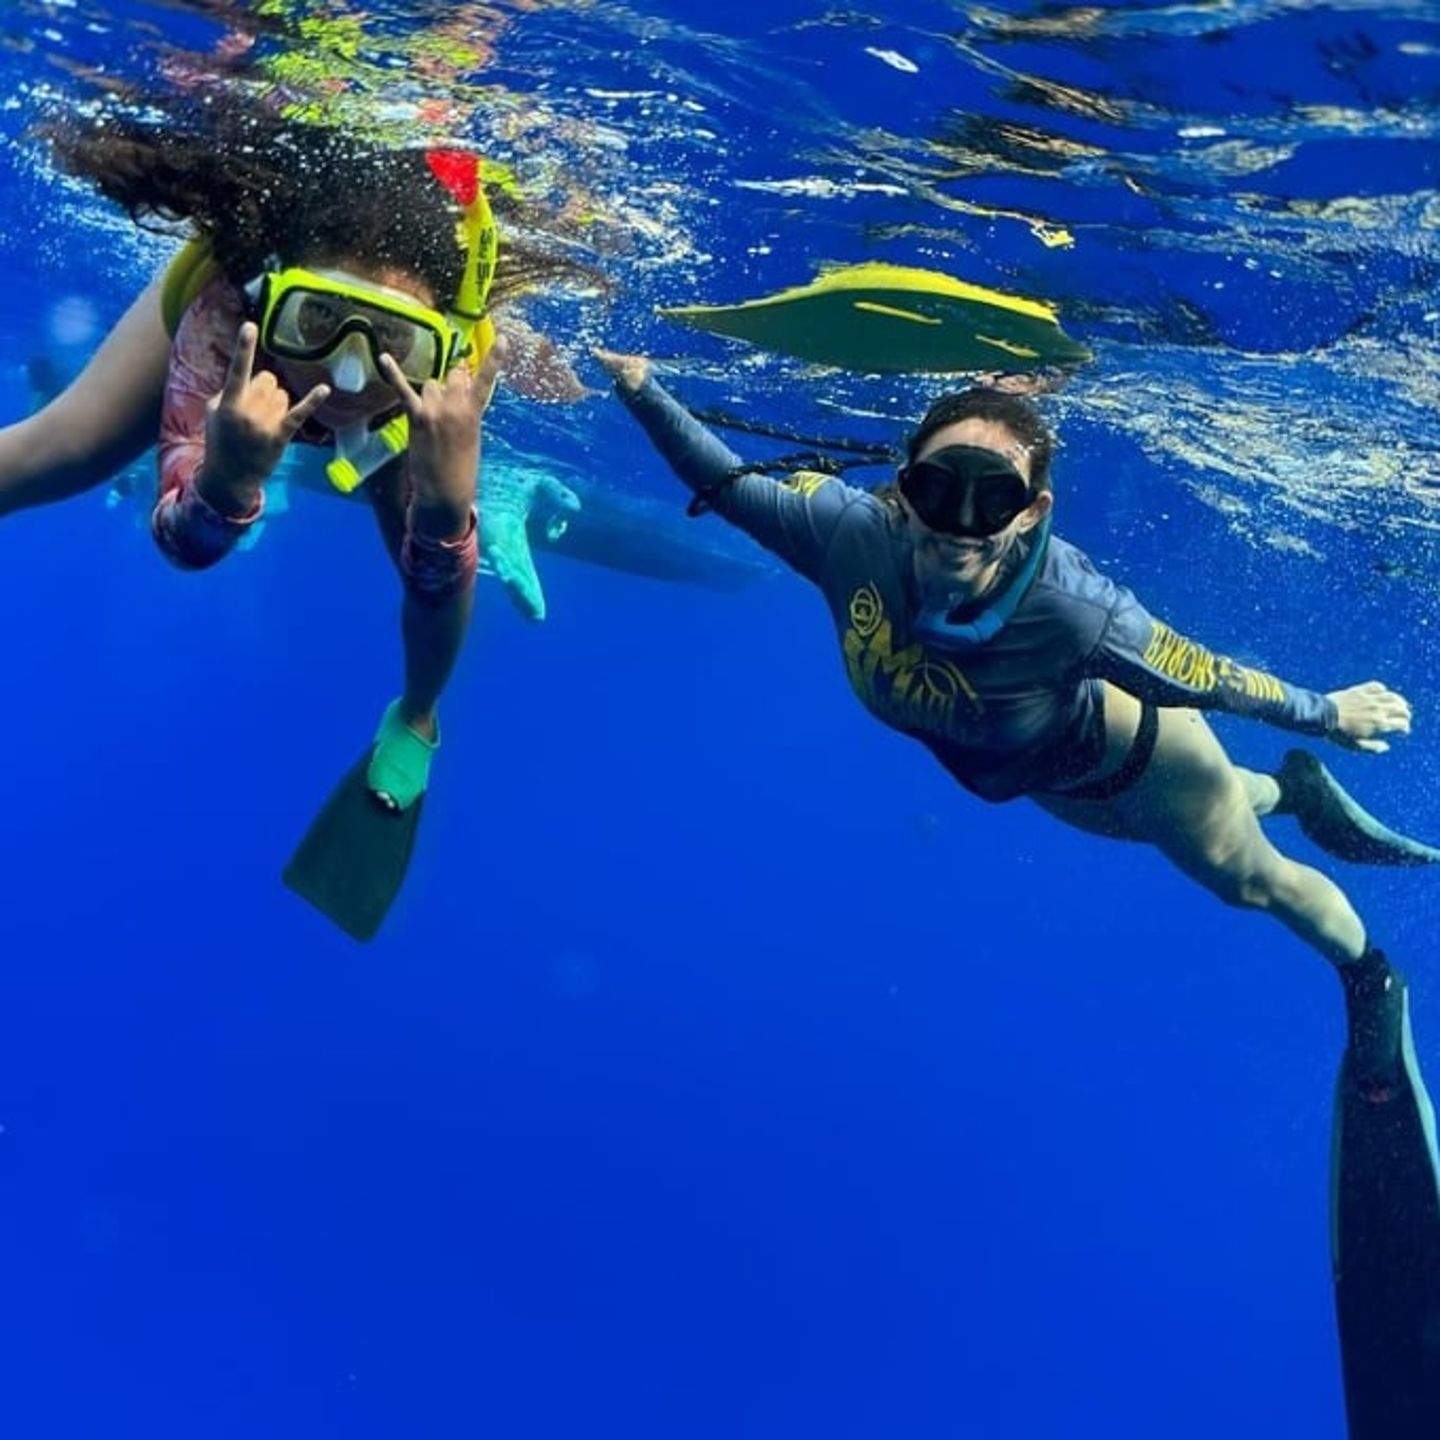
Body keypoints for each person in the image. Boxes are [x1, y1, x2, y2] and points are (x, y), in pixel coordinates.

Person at [598, 349, 1440, 1427]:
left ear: (1031, 509)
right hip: (1047, 779)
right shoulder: (846, 537)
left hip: (1143, 761)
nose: (956, 521)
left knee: (1245, 879)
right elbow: (721, 478)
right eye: (935, 488)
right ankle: (1283, 790)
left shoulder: (1073, 610)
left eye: (989, 499)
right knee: (1188, 829)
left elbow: (1204, 672)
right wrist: (638, 388)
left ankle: (1369, 976)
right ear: (901, 486)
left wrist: (1330, 710)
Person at [14, 92, 585, 938]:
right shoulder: (224, 319)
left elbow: (434, 572)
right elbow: (181, 539)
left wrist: (453, 501)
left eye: (387, 339)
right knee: (66, 448)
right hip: (243, 369)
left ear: (434, 342)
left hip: (416, 403)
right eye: (317, 319)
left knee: (429, 555)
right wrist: (225, 481)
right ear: (266, 296)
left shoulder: (439, 378)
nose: (349, 376)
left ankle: (416, 719)